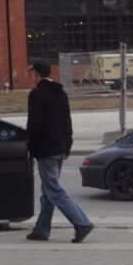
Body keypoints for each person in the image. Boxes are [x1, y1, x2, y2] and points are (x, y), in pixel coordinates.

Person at [26, 61, 95, 243]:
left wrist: (28, 143)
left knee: (54, 191)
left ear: (36, 74)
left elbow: (35, 123)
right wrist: (67, 145)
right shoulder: (60, 93)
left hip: (46, 149)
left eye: (31, 73)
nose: (30, 76)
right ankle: (41, 230)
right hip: (59, 147)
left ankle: (82, 223)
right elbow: (67, 121)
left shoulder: (37, 94)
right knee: (48, 190)